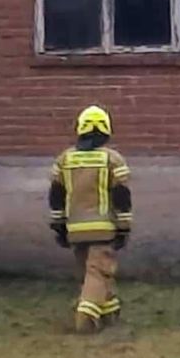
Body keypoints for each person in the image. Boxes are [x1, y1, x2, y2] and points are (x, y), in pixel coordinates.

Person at [49, 106, 133, 334]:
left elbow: (56, 194)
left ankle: (110, 314)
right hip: (103, 228)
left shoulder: (64, 159)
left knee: (90, 273)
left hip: (74, 228)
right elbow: (121, 196)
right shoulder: (113, 160)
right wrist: (124, 227)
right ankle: (85, 318)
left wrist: (58, 224)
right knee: (99, 272)